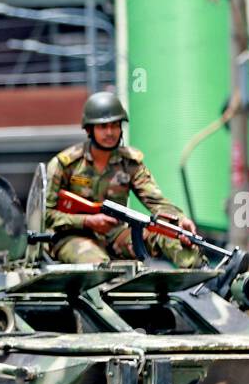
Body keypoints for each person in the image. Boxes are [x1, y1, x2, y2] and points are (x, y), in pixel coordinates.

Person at [44, 92, 203, 267]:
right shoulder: (66, 164)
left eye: (115, 125)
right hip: (72, 237)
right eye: (103, 127)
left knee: (170, 235)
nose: (110, 132)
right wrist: (87, 221)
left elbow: (157, 202)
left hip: (115, 235)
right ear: (89, 129)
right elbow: (45, 215)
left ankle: (206, 278)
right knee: (98, 265)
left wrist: (179, 220)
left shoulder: (130, 163)